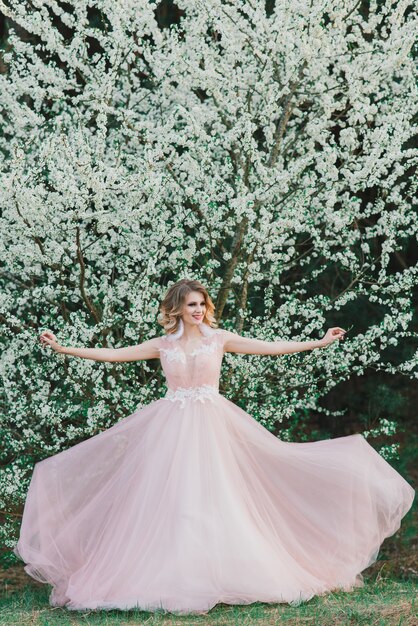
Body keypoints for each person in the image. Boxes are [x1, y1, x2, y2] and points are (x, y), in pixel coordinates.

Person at [13, 278, 415, 616]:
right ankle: (175, 576)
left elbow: (269, 346)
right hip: (170, 428)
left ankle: (229, 569)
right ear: (176, 308)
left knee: (222, 495)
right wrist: (66, 348)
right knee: (170, 499)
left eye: (202, 304)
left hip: (214, 425)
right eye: (191, 305)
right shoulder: (163, 344)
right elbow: (114, 355)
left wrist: (318, 342)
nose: (198, 310)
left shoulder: (220, 339)